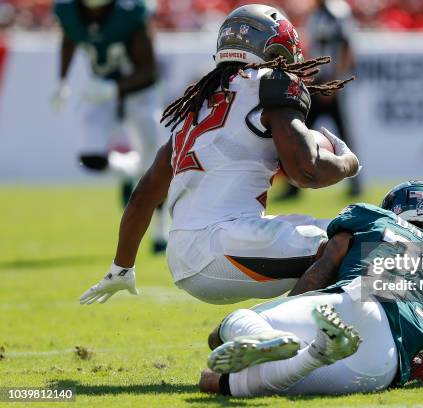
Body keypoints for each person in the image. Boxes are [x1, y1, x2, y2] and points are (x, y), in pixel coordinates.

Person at [78, 4, 360, 305]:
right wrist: (348, 162)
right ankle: (284, 330)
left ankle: (268, 331)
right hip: (226, 244)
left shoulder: (197, 106)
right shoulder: (271, 84)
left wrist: (122, 267)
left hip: (183, 258)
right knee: (361, 244)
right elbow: (308, 172)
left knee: (327, 233)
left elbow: (144, 195)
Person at [200, 181, 423, 396]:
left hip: (354, 301)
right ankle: (313, 354)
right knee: (218, 380)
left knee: (223, 341)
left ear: (393, 211)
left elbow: (332, 255)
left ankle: (275, 338)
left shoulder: (374, 219)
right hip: (383, 364)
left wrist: (294, 310)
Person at [51, 0, 168, 252]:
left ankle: (161, 233)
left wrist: (114, 88)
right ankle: (129, 170)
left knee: (153, 166)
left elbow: (148, 70)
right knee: (91, 158)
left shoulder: (131, 13)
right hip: (100, 90)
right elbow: (69, 38)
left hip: (140, 94)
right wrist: (62, 80)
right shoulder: (69, 11)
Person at [278, 0, 361, 200]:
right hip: (316, 81)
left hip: (330, 81)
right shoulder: (315, 14)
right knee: (299, 132)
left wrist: (336, 81)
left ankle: (355, 183)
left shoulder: (336, 13)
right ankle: (294, 186)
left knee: (340, 136)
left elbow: (346, 48)